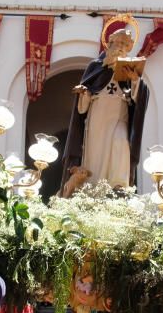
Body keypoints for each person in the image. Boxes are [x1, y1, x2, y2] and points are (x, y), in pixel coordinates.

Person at [60, 20, 150, 190]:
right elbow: (84, 102)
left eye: (125, 43)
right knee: (96, 151)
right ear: (110, 43)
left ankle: (118, 185)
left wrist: (135, 80)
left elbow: (139, 99)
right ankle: (93, 187)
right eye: (118, 42)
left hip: (120, 115)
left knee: (121, 142)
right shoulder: (95, 66)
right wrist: (84, 93)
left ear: (129, 48)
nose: (121, 46)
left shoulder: (130, 69)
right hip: (98, 115)